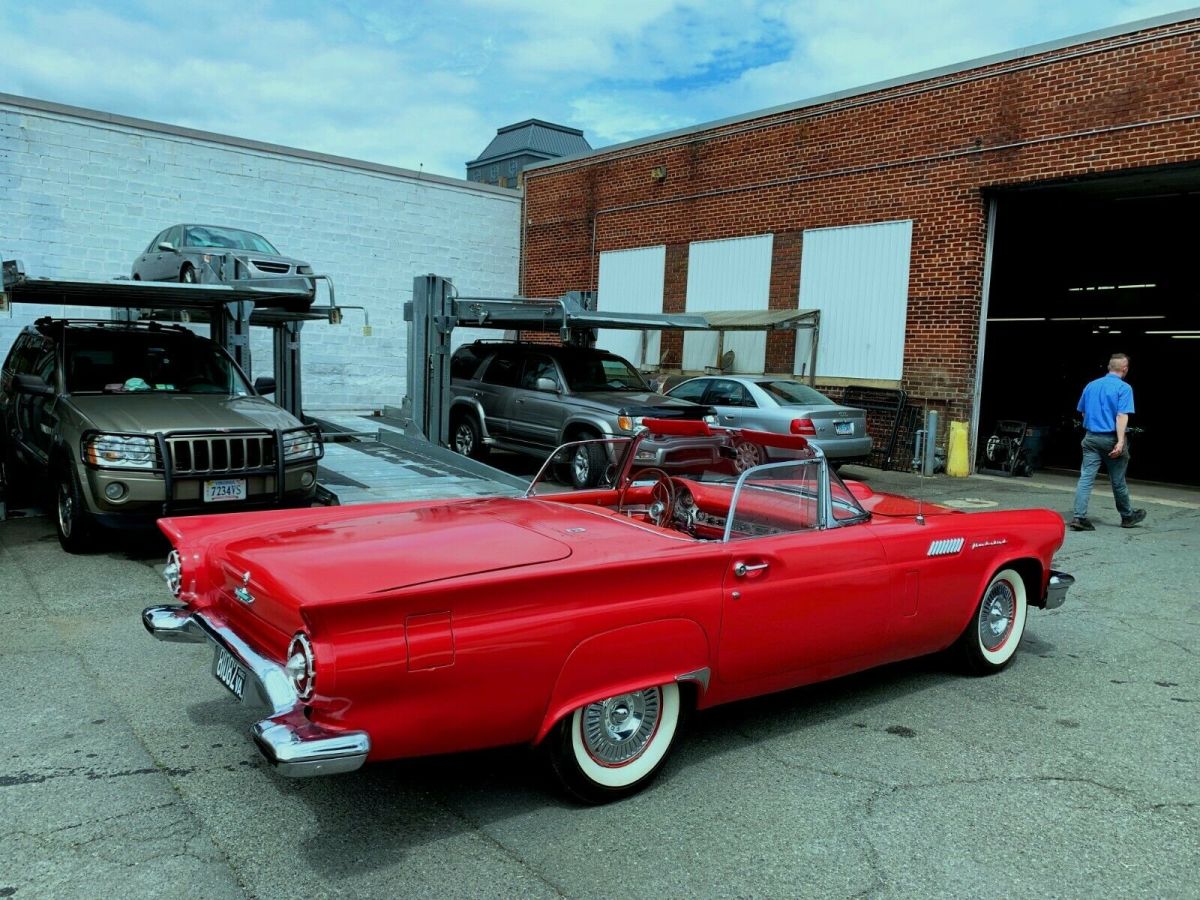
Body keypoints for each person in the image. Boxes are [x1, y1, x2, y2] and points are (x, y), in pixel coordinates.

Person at [1069, 352, 1146, 531]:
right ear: (1125, 369)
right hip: (1111, 438)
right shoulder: (1124, 388)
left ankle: (1079, 517)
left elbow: (1083, 412)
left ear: (1109, 367)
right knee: (1118, 480)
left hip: (1091, 437)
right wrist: (1120, 442)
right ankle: (1127, 516)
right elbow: (1121, 415)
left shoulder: (1091, 385)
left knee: (1086, 478)